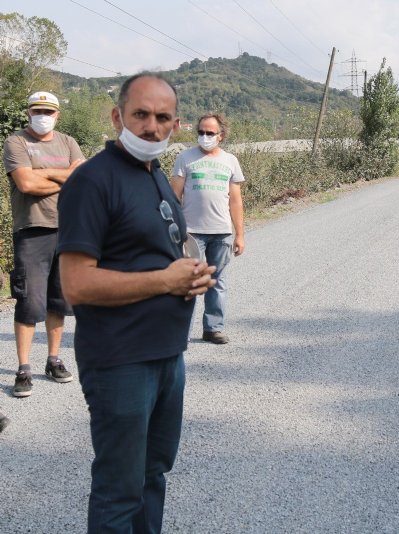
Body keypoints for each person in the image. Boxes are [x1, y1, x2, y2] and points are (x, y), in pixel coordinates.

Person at [57, 73, 216, 533]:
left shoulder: (157, 174)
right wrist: (164, 281)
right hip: (120, 361)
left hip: (167, 355)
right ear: (117, 116)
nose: (151, 127)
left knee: (152, 475)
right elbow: (77, 285)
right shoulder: (92, 181)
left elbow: (169, 245)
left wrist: (191, 270)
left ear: (175, 124)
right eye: (141, 114)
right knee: (119, 490)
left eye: (162, 118)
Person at [2, 91, 84, 398]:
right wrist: (65, 177)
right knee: (28, 302)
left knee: (58, 301)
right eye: (37, 110)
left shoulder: (68, 142)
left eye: (48, 111)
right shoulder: (16, 142)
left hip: (68, 230)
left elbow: (82, 179)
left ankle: (53, 360)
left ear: (57, 114)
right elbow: (25, 183)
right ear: (28, 112)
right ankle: (23, 369)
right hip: (32, 230)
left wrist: (44, 173)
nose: (42, 115)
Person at [171, 112, 245, 344]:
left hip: (221, 233)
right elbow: (174, 197)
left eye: (209, 133)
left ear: (220, 135)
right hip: (191, 233)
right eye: (201, 132)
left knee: (218, 282)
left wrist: (239, 234)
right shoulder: (185, 158)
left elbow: (235, 201)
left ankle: (213, 329)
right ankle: (179, 332)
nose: (204, 136)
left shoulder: (230, 161)